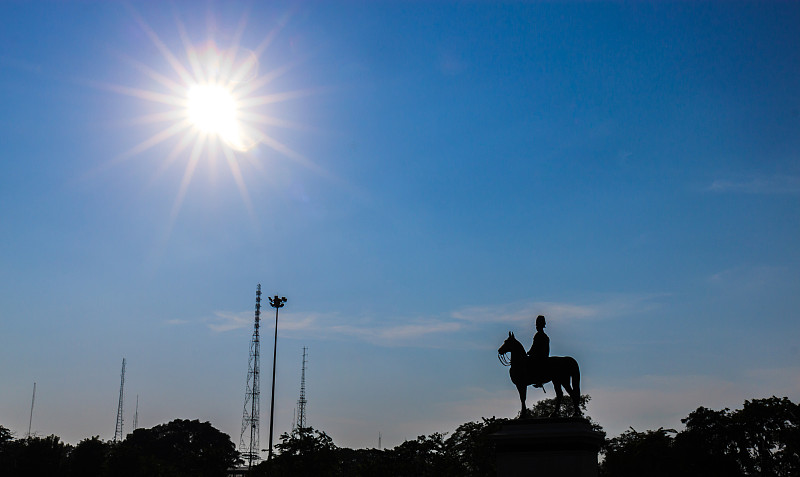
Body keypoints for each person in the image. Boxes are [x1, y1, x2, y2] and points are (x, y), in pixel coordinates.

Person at [527, 315, 550, 387]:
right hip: (544, 355)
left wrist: (529, 352)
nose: (536, 326)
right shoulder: (544, 335)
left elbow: (534, 346)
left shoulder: (538, 335)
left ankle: (537, 380)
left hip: (539, 356)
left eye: (537, 325)